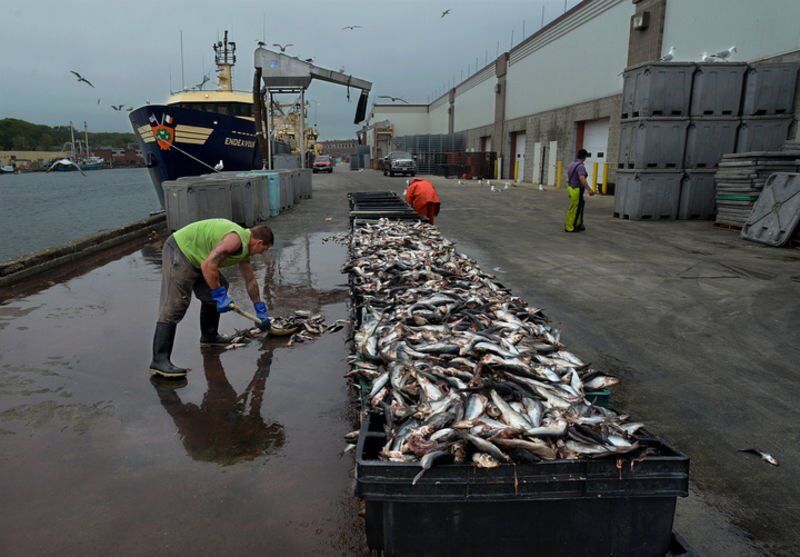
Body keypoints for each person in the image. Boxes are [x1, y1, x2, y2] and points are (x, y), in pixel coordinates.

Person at [150, 218, 273, 379]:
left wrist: (260, 308)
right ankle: (159, 360)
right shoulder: (235, 240)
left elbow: (250, 280)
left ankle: (209, 336)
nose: (261, 254)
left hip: (199, 257)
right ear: (258, 242)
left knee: (219, 285)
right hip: (181, 250)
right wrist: (220, 296)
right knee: (176, 304)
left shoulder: (244, 248)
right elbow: (208, 266)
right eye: (263, 250)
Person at [565, 149, 595, 232]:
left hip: (571, 188)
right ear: (585, 157)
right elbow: (582, 178)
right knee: (575, 209)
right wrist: (589, 190)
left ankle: (577, 224)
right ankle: (571, 226)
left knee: (574, 208)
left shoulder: (571, 164)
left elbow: (568, 173)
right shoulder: (581, 166)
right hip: (577, 190)